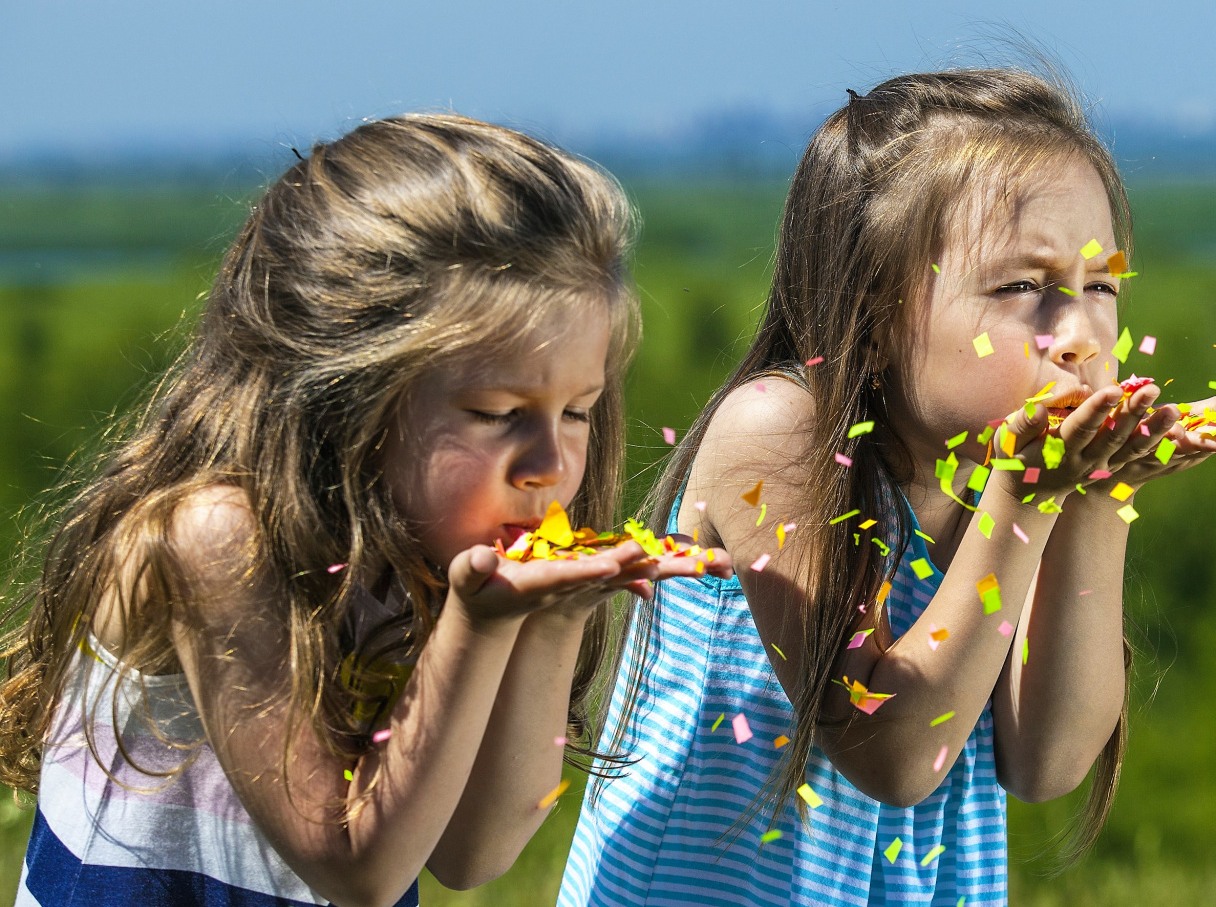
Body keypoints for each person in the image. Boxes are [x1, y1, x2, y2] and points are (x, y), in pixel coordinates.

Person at [561, 69, 1216, 906]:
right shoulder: (778, 434)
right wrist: (1029, 496)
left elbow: (1047, 761)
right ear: (872, 318)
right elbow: (896, 756)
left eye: (1102, 287)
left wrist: (1096, 495)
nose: (1080, 338)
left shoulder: (1011, 480)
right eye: (1023, 288)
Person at [0, 115, 730, 907]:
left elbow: (473, 854)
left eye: (579, 412)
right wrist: (478, 627)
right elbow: (360, 869)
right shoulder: (217, 539)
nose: (551, 465)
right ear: (346, 390)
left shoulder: (421, 546)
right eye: (495, 412)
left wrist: (551, 623)